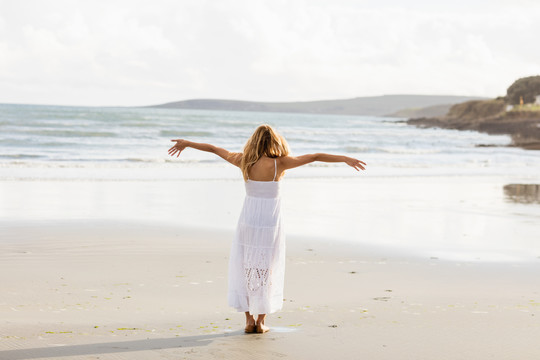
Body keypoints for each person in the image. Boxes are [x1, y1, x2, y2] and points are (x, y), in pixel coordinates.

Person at [168, 124, 366, 334]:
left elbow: (215, 149)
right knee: (266, 267)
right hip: (270, 221)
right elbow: (315, 156)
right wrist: (345, 158)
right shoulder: (280, 163)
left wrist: (188, 143)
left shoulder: (243, 160)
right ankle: (260, 322)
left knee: (246, 265)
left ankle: (248, 321)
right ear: (274, 141)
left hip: (248, 219)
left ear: (253, 141)